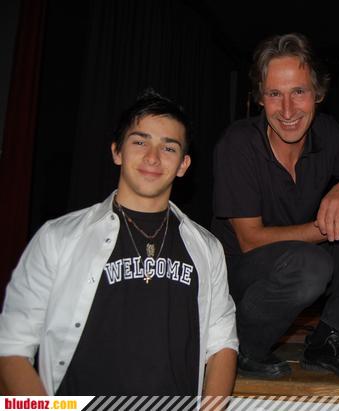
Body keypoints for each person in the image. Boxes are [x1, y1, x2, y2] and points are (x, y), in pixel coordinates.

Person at [0, 90, 238, 397]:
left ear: (183, 164)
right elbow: (11, 346)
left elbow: (222, 344)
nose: (152, 157)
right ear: (117, 151)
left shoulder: (207, 248)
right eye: (140, 142)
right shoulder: (58, 237)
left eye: (169, 147)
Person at [211, 33, 339, 380]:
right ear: (260, 98)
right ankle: (243, 344)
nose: (288, 110)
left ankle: (329, 340)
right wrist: (337, 227)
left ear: (317, 93)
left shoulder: (326, 133)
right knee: (311, 263)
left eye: (298, 92)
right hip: (244, 277)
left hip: (305, 263)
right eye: (275, 94)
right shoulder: (238, 144)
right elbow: (250, 240)